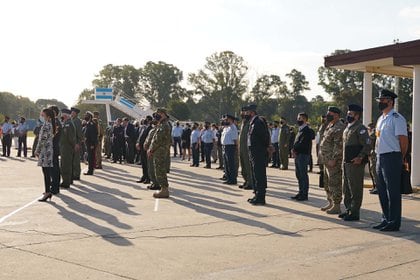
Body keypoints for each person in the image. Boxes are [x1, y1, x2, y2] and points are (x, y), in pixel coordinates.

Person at [373, 89, 408, 232]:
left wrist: (401, 157)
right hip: (380, 157)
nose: (380, 102)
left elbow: (403, 141)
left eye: (382, 100)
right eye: (379, 100)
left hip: (392, 156)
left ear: (390, 101)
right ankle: (385, 219)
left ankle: (394, 222)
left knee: (392, 191)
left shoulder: (397, 118)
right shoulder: (381, 118)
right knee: (381, 190)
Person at [340, 104, 371, 221]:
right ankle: (348, 209)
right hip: (346, 162)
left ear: (357, 116)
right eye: (348, 114)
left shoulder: (360, 128)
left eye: (351, 114)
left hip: (355, 163)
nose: (348, 116)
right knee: (347, 188)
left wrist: (360, 157)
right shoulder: (348, 127)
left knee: (355, 188)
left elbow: (367, 145)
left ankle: (355, 212)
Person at [319, 106, 345, 214]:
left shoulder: (339, 127)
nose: (328, 115)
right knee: (327, 182)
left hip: (333, 161)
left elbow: (338, 145)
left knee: (334, 183)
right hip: (326, 160)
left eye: (330, 114)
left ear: (336, 115)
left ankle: (337, 205)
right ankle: (330, 202)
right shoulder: (330, 125)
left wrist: (333, 159)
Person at [246, 104, 270, 205]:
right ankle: (257, 194)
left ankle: (261, 197)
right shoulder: (252, 123)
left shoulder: (258, 122)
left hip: (258, 152)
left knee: (259, 175)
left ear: (252, 112)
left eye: (247, 112)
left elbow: (264, 137)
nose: (245, 114)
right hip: (254, 152)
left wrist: (263, 149)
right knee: (255, 174)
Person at [148, 108, 172, 198]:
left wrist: (151, 149)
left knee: (160, 169)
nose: (157, 115)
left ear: (162, 114)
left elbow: (158, 140)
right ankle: (163, 189)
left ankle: (164, 189)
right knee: (159, 169)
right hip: (159, 150)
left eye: (158, 113)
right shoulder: (162, 124)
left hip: (160, 150)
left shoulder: (165, 125)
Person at [291, 112, 312, 201]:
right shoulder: (300, 129)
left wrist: (295, 149)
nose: (298, 120)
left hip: (303, 154)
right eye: (298, 118)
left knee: (303, 175)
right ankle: (300, 192)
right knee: (298, 174)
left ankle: (304, 194)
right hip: (298, 154)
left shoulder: (307, 130)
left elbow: (303, 143)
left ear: (305, 120)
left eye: (301, 118)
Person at [36, 108, 55, 202]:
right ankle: (48, 190)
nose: (41, 117)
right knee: (46, 172)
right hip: (47, 150)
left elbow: (42, 140)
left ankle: (48, 192)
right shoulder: (48, 124)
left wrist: (37, 150)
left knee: (46, 172)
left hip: (45, 151)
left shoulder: (47, 125)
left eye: (43, 115)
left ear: (48, 117)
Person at [59, 109, 76, 188]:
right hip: (64, 147)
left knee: (66, 165)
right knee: (65, 164)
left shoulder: (69, 124)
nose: (61, 116)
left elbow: (71, 137)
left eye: (62, 114)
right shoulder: (66, 123)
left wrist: (72, 146)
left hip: (67, 147)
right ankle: (67, 180)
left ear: (65, 115)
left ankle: (66, 182)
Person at [239, 107, 254, 190]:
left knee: (248, 165)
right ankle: (246, 180)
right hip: (241, 147)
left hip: (247, 147)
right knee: (243, 165)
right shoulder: (243, 123)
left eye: (245, 112)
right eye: (242, 112)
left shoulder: (250, 122)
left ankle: (250, 182)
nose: (243, 114)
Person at [221, 114, 238, 185]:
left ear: (231, 120)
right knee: (226, 164)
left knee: (231, 164)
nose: (225, 121)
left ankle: (233, 179)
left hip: (230, 147)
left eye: (226, 120)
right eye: (225, 120)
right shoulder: (226, 128)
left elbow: (235, 140)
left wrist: (236, 148)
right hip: (225, 147)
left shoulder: (233, 128)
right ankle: (228, 178)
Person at [136, 115, 153, 183]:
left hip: (146, 148)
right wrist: (138, 143)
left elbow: (148, 139)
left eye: (146, 119)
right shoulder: (143, 127)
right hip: (142, 147)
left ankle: (148, 178)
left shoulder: (150, 128)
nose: (144, 120)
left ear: (149, 120)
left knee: (147, 164)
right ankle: (144, 176)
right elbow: (140, 137)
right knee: (143, 163)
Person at [49, 106, 62, 194]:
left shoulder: (55, 122)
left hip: (53, 147)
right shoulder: (54, 122)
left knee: (54, 169)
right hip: (53, 147)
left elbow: (52, 136)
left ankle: (54, 188)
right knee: (53, 168)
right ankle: (54, 186)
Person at [83, 111, 98, 175]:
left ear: (90, 116)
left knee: (91, 157)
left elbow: (93, 135)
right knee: (90, 157)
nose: (85, 116)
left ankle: (90, 171)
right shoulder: (88, 123)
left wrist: (92, 144)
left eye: (86, 115)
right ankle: (90, 170)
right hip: (88, 143)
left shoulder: (92, 124)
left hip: (91, 143)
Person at [71, 107, 83, 180]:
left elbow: (79, 133)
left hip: (76, 143)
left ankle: (77, 174)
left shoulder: (77, 121)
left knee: (76, 160)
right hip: (72, 143)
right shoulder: (72, 120)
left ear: (76, 113)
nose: (71, 113)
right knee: (72, 159)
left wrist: (78, 143)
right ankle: (73, 173)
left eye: (73, 112)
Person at [367, 123, 378, 194]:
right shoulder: (375, 132)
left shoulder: (373, 133)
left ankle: (377, 187)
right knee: (372, 171)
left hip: (374, 154)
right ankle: (375, 186)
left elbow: (369, 143)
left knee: (374, 171)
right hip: (373, 154)